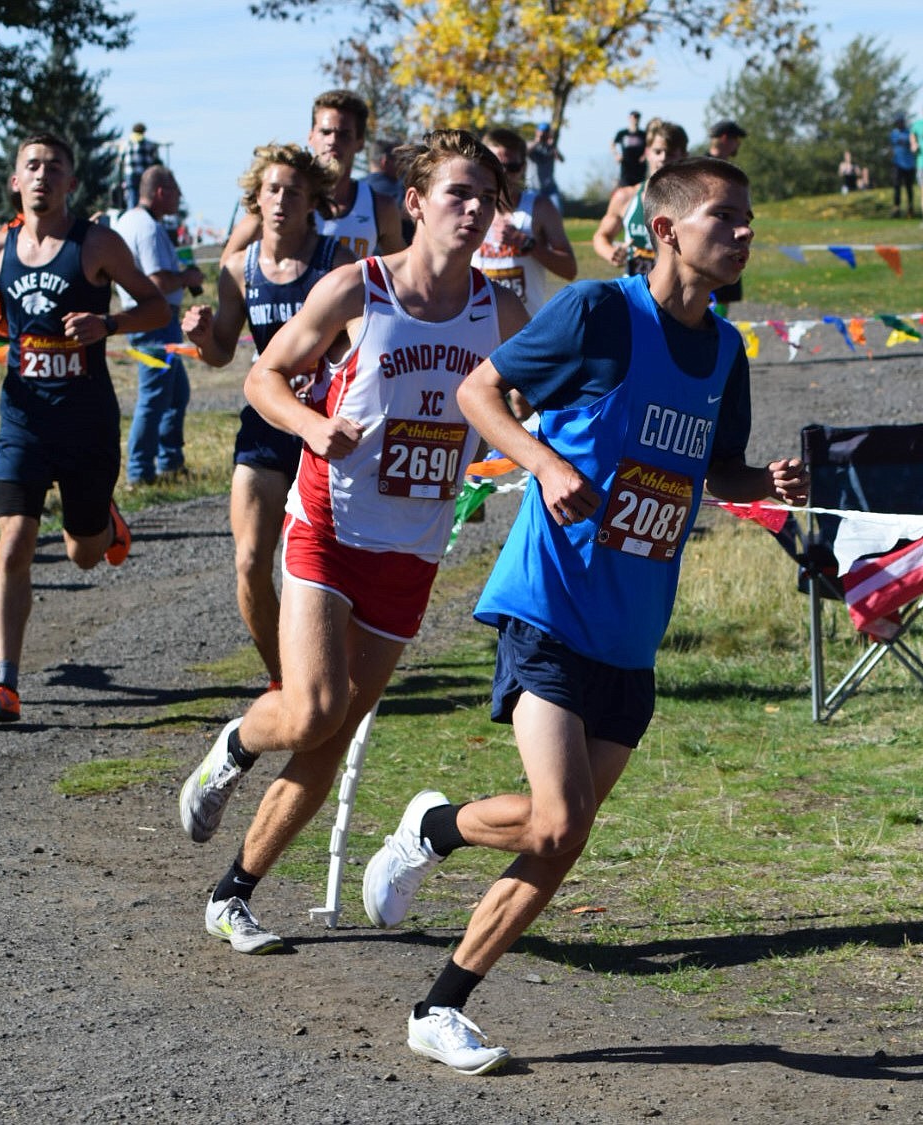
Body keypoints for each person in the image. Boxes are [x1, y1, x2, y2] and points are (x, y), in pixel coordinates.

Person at [361, 154, 809, 1075]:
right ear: (665, 230)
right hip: (550, 601)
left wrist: (758, 484)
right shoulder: (600, 313)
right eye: (726, 217)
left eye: (748, 218)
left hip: (632, 626)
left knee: (554, 834)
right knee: (561, 824)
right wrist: (543, 461)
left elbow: (715, 468)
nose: (744, 233)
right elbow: (477, 392)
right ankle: (437, 1009)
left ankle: (435, 829)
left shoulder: (727, 351)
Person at [177, 129, 529, 954]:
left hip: (413, 546)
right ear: (414, 203)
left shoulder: (500, 310)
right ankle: (232, 744)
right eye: (458, 195)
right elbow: (265, 376)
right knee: (314, 707)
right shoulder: (356, 287)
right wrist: (311, 423)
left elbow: (536, 400)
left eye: (487, 199)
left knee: (329, 741)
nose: (476, 211)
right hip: (329, 526)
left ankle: (233, 894)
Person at [0, 134, 169, 723]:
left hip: (86, 423)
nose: (42, 176)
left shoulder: (96, 243)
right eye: (32, 166)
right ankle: (4, 683)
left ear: (71, 183)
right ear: (15, 181)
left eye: (55, 167)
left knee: (83, 554)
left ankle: (104, 521)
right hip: (23, 421)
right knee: (15, 541)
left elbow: (158, 308)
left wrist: (109, 322)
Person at [181, 144, 353, 692]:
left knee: (329, 565)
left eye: (294, 192)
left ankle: (328, 666)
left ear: (312, 202)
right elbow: (222, 353)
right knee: (251, 560)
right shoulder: (239, 268)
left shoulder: (338, 261)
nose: (281, 200)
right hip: (266, 423)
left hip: (328, 426)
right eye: (272, 190)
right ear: (256, 198)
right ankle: (283, 678)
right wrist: (201, 335)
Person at [223, 90, 406, 264]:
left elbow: (402, 271)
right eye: (325, 132)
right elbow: (228, 266)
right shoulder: (282, 198)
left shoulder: (379, 207)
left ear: (360, 143)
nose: (332, 141)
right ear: (311, 136)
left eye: (344, 134)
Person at [113, 165, 205, 486]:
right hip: (154, 322)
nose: (179, 201)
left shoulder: (130, 221)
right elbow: (156, 281)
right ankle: (139, 472)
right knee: (153, 399)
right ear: (162, 192)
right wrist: (188, 278)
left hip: (154, 322)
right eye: (176, 194)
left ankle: (170, 462)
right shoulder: (147, 229)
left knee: (177, 394)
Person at [471, 126, 577, 314]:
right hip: (478, 325)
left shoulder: (540, 208)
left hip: (524, 327)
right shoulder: (469, 208)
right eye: (497, 166)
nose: (504, 175)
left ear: (523, 168)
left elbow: (569, 269)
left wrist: (523, 242)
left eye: (512, 167)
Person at [593, 119, 688, 278]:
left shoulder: (696, 203)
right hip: (635, 295)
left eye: (670, 153)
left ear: (684, 156)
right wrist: (612, 253)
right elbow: (601, 236)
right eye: (658, 151)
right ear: (647, 153)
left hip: (679, 297)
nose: (663, 158)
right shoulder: (625, 197)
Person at [705, 121, 747, 313]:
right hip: (709, 241)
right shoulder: (700, 167)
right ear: (725, 138)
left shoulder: (732, 169)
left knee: (724, 297)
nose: (738, 145)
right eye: (736, 140)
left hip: (731, 240)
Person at [117, 123, 162, 210]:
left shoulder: (126, 144)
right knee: (145, 195)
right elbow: (155, 159)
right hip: (145, 175)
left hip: (130, 174)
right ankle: (143, 212)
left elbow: (120, 160)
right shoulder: (149, 144)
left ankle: (132, 213)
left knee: (132, 195)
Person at [528, 122, 564, 214]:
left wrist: (552, 146)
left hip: (550, 188)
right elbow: (524, 152)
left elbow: (561, 159)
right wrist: (537, 141)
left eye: (546, 132)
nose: (543, 134)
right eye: (541, 131)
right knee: (531, 213)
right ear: (537, 132)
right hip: (533, 187)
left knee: (557, 210)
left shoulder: (550, 147)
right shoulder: (531, 145)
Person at [889, 115, 916, 218]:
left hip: (909, 164)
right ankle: (896, 208)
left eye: (900, 122)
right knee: (897, 186)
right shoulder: (894, 133)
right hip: (897, 164)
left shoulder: (909, 133)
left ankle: (910, 208)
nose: (899, 124)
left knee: (909, 187)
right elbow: (894, 143)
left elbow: (912, 144)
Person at [612, 111, 646, 187]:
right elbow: (612, 144)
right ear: (629, 118)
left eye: (637, 117)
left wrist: (645, 155)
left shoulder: (643, 134)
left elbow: (650, 147)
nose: (635, 120)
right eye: (633, 117)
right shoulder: (622, 133)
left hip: (640, 169)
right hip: (626, 168)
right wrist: (616, 155)